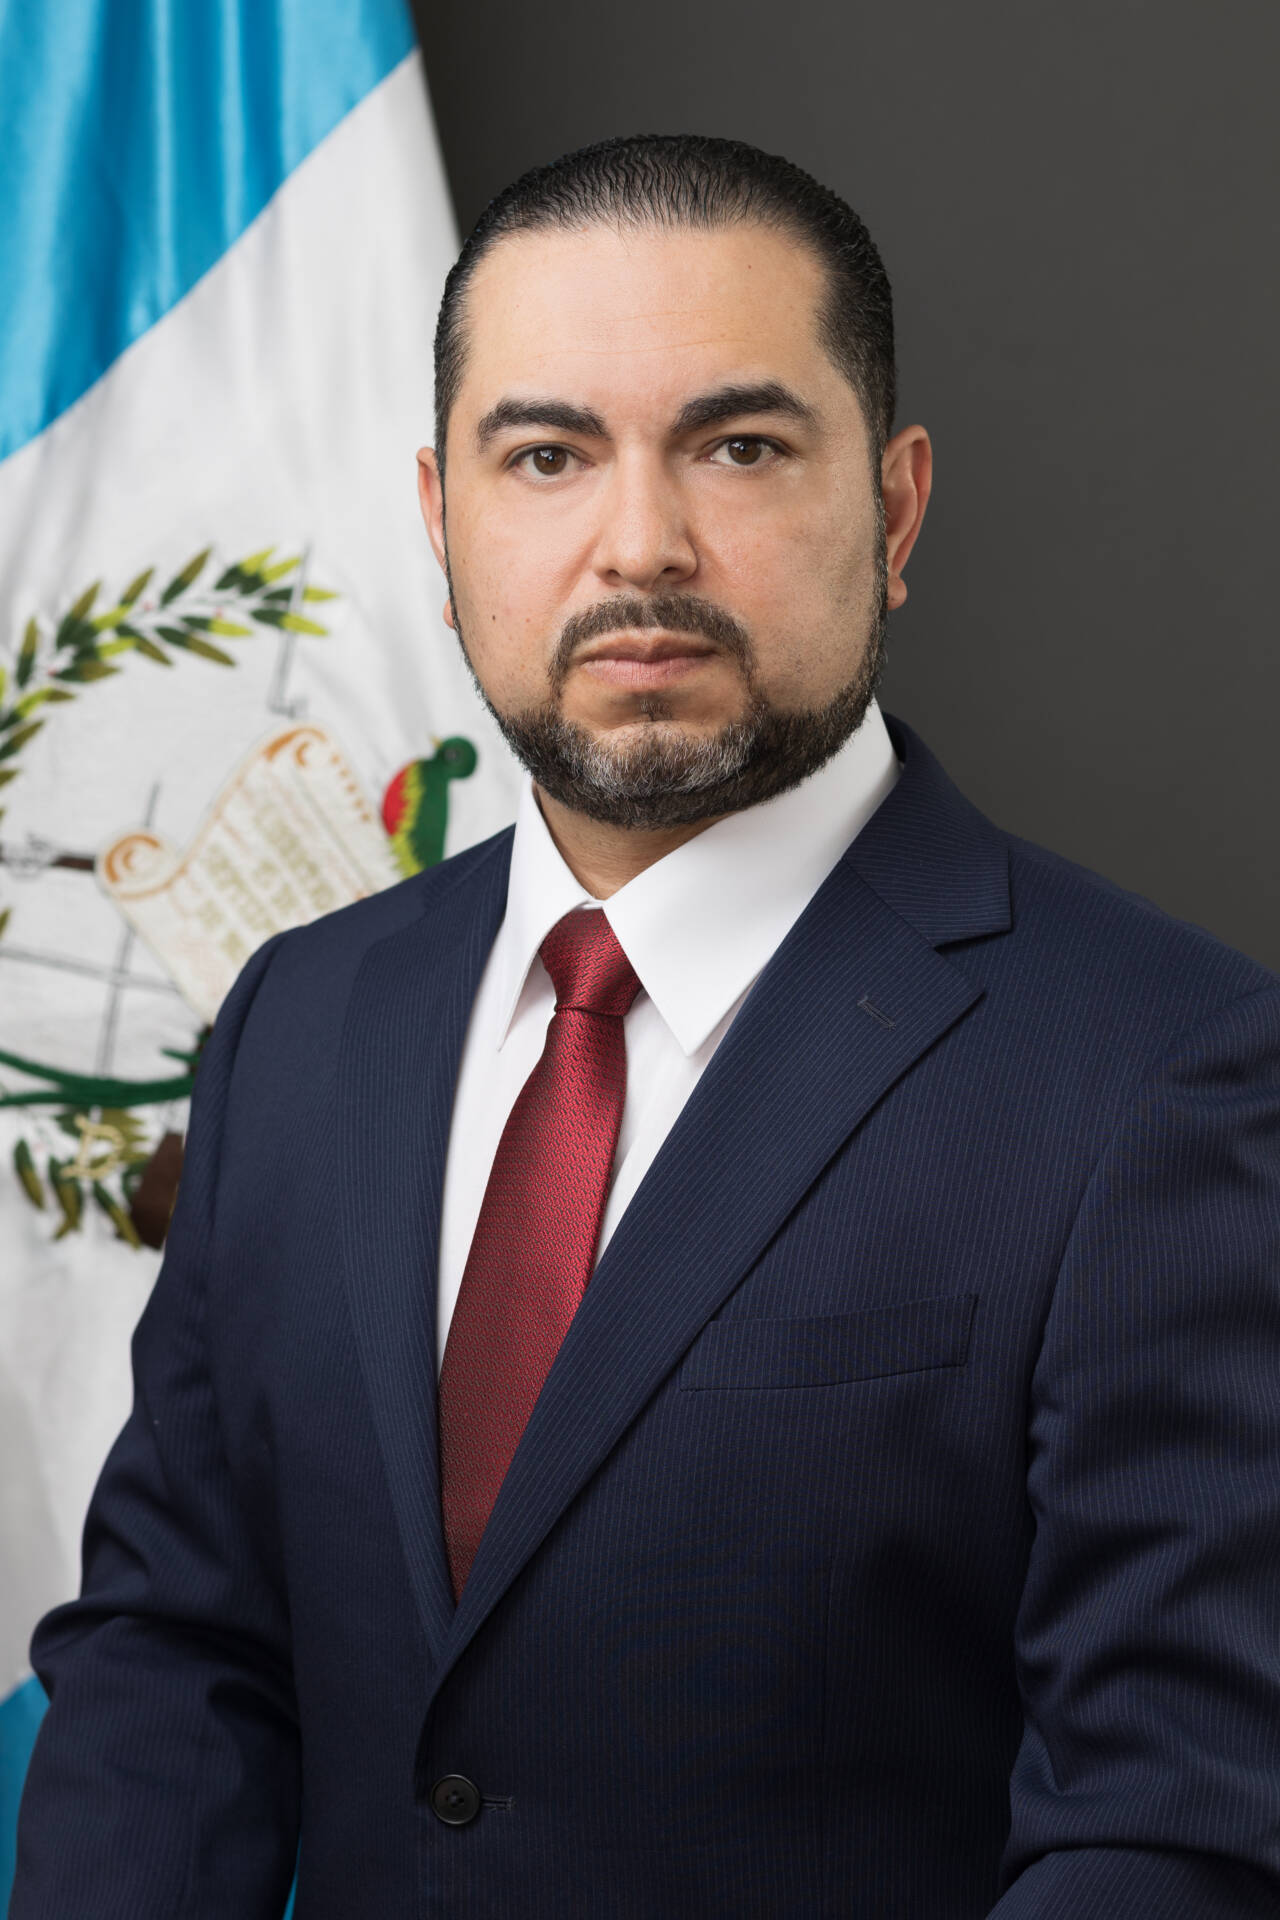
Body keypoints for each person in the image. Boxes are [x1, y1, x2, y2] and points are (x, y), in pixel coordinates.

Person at [11, 134, 1280, 1919]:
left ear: (898, 509)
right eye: (546, 455)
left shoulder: (1165, 1076)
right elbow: (177, 1660)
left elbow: (1174, 1834)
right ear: (441, 521)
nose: (641, 546)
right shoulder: (302, 1022)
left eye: (740, 447)